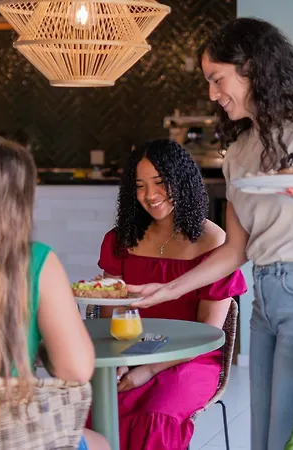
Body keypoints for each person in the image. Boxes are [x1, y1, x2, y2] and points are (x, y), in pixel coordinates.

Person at [129, 18, 293, 450]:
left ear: (252, 68)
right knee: (264, 439)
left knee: (292, 439)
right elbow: (235, 250)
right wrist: (167, 290)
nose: (212, 94)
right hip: (266, 302)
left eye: (217, 79)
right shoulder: (241, 151)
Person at [0, 137, 108, 450]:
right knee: (101, 443)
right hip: (8, 438)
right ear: (20, 201)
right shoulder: (36, 262)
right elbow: (77, 370)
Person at [95, 139, 247, 450]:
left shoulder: (216, 244)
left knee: (154, 416)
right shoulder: (120, 240)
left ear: (182, 182)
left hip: (188, 360)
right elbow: (110, 320)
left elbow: (206, 334)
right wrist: (119, 363)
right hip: (131, 352)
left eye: (160, 182)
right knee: (95, 411)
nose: (150, 195)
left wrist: (149, 369)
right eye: (140, 186)